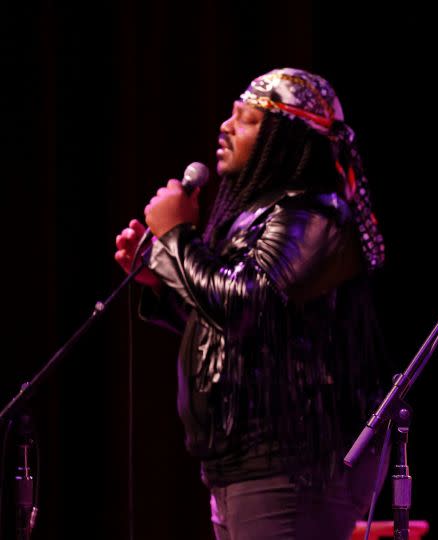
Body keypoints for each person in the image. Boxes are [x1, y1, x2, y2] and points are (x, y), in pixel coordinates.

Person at [114, 68, 389, 540]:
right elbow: (236, 333)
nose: (224, 126)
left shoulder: (312, 215)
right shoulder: (263, 218)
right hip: (241, 462)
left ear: (285, 138)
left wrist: (177, 238)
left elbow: (248, 306)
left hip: (290, 464)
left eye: (245, 120)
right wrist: (161, 281)